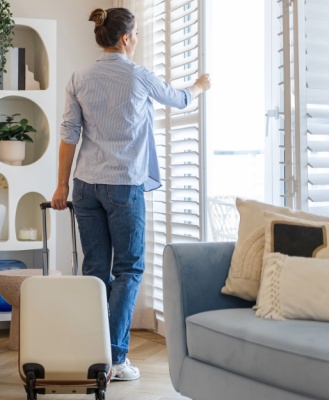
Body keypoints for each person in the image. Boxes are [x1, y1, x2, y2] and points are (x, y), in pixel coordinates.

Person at [50, 7, 210, 382]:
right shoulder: (138, 76)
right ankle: (116, 359)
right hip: (123, 186)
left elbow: (69, 134)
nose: (137, 39)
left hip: (85, 186)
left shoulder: (79, 77)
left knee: (95, 271)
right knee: (128, 269)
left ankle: (91, 355)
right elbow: (180, 99)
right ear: (125, 38)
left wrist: (61, 184)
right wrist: (200, 85)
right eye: (136, 34)